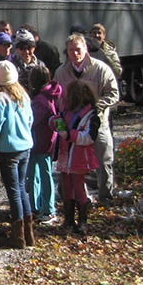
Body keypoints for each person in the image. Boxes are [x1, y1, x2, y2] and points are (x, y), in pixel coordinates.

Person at [53, 34, 119, 204]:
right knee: (68, 164)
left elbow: (113, 93)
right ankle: (71, 199)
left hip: (97, 123)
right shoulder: (61, 72)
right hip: (72, 126)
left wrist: (97, 107)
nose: (75, 54)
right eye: (71, 50)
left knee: (104, 160)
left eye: (78, 49)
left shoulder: (101, 69)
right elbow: (56, 97)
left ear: (85, 49)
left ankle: (106, 196)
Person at [0, 60, 35, 249]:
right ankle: (28, 233)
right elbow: (30, 120)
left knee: (13, 191)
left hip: (9, 149)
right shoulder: (23, 96)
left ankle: (18, 236)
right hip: (25, 146)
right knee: (21, 188)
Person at [52, 81, 100, 235]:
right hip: (66, 155)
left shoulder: (90, 115)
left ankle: (83, 221)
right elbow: (58, 122)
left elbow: (89, 137)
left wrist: (70, 135)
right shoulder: (65, 111)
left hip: (79, 156)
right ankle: (69, 219)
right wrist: (55, 123)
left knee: (79, 187)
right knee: (66, 187)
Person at [28, 67, 61, 228]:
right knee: (39, 175)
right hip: (45, 141)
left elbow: (31, 121)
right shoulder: (51, 94)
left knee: (41, 176)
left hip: (40, 142)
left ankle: (47, 209)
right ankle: (37, 207)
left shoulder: (41, 100)